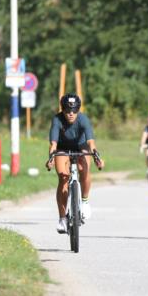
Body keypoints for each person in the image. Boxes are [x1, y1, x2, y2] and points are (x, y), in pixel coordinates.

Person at [45, 93, 103, 234]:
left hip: (81, 146)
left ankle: (84, 201)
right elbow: (53, 143)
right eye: (67, 110)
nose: (71, 114)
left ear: (78, 109)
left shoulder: (83, 119)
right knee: (63, 177)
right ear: (62, 109)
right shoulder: (57, 119)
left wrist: (96, 156)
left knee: (85, 170)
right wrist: (51, 157)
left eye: (74, 110)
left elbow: (91, 142)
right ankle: (62, 219)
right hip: (62, 148)